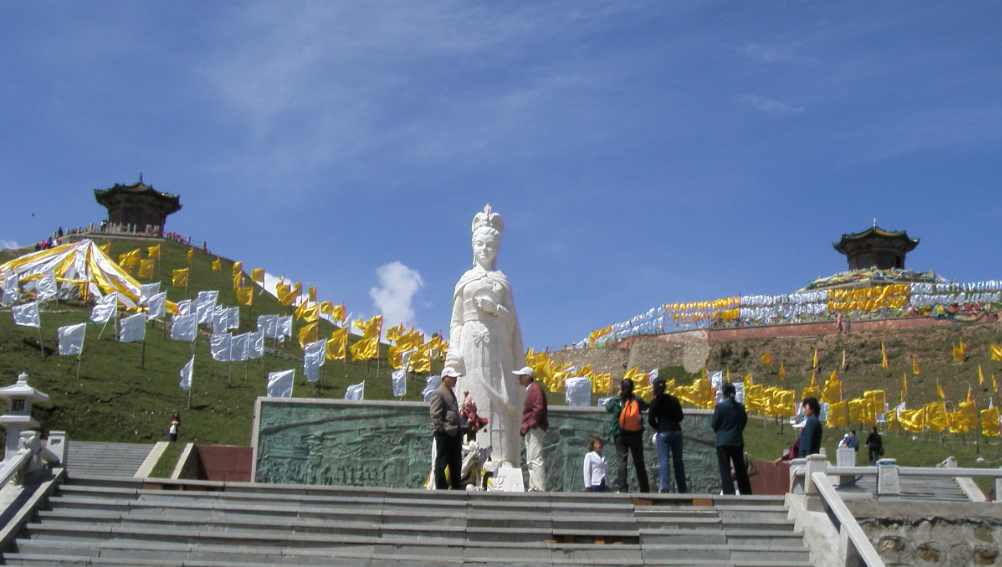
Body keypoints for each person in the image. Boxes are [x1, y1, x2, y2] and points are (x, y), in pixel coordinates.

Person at [443, 206, 526, 466]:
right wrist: (454, 350)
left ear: (497, 248)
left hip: (496, 351)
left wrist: (496, 310)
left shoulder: (502, 281)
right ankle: (468, 458)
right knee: (469, 399)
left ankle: (501, 460)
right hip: (469, 348)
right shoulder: (465, 280)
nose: (484, 249)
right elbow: (455, 321)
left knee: (497, 403)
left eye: (490, 245)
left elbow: (513, 324)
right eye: (479, 243)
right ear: (473, 245)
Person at [605, 378, 650, 493]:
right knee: (639, 461)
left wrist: (618, 395)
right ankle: (644, 488)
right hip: (636, 434)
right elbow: (646, 406)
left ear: (621, 388)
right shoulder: (636, 400)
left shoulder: (617, 401)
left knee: (622, 460)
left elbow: (608, 408)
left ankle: (623, 488)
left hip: (620, 434)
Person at [711, 383, 752, 495]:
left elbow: (714, 424)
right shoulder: (740, 407)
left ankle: (729, 492)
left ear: (724, 394)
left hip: (723, 442)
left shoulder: (720, 407)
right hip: (737, 440)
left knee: (725, 470)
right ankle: (746, 491)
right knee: (740, 469)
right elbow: (743, 422)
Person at [648, 377, 687, 493]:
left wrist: (658, 427)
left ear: (654, 387)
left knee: (664, 460)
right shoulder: (674, 400)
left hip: (663, 432)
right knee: (678, 461)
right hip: (676, 431)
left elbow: (651, 420)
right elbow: (680, 416)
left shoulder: (655, 402)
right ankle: (682, 488)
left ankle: (665, 486)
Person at [430, 368, 463, 490]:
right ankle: (441, 487)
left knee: (455, 463)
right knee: (442, 462)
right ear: (445, 377)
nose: (455, 380)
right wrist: (442, 429)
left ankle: (455, 486)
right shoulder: (439, 393)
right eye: (453, 377)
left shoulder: (450, 393)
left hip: (454, 434)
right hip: (445, 434)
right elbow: (435, 414)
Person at [517, 366, 548, 492]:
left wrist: (531, 423)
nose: (519, 378)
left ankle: (539, 487)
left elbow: (538, 408)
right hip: (531, 428)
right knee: (531, 458)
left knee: (535, 458)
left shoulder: (535, 389)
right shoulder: (530, 390)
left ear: (527, 377)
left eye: (521, 376)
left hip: (535, 428)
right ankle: (533, 485)